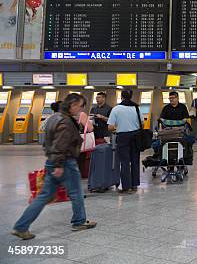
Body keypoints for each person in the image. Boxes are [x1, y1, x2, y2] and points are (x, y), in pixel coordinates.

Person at [12, 93, 97, 240]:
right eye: (81, 105)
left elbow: (47, 143)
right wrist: (58, 164)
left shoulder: (53, 118)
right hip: (64, 163)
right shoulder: (65, 122)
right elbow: (60, 145)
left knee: (44, 196)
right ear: (73, 105)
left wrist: (53, 162)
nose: (81, 109)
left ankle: (21, 226)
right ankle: (79, 221)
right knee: (76, 193)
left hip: (53, 162)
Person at [108, 89, 144, 194]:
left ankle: (126, 187)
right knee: (135, 161)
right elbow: (142, 122)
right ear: (131, 96)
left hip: (123, 137)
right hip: (136, 137)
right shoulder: (136, 108)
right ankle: (134, 185)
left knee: (124, 162)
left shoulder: (116, 109)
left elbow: (110, 127)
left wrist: (117, 128)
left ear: (121, 97)